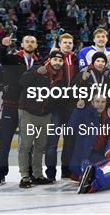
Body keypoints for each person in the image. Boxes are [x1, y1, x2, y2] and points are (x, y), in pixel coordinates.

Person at [0, 34, 38, 187]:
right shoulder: (12, 59)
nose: (30, 44)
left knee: (28, 144)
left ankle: (28, 173)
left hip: (30, 109)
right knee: (5, 142)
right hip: (11, 107)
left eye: (32, 42)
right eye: (27, 41)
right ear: (22, 44)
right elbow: (0, 57)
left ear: (36, 45)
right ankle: (0, 175)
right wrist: (3, 46)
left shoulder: (39, 63)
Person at [18, 51, 66, 188]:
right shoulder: (37, 69)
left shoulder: (61, 78)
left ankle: (38, 175)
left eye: (60, 61)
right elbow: (22, 81)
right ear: (49, 60)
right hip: (28, 112)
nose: (57, 62)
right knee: (26, 145)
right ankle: (25, 176)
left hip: (45, 115)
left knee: (40, 146)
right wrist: (37, 73)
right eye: (55, 59)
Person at [45, 33, 79, 180]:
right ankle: (51, 173)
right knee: (52, 140)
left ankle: (66, 171)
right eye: (64, 42)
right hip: (56, 106)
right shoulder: (54, 58)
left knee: (69, 140)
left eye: (70, 43)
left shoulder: (75, 58)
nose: (67, 45)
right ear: (60, 43)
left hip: (71, 106)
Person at [68, 95, 110, 180]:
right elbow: (70, 129)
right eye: (97, 101)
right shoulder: (84, 115)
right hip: (82, 160)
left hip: (98, 158)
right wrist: (78, 110)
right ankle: (86, 175)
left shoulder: (107, 119)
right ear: (92, 103)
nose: (100, 104)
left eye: (103, 102)